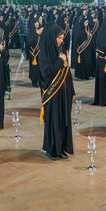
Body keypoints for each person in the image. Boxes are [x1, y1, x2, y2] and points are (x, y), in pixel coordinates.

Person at [38, 25, 74, 160]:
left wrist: (72, 89)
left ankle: (62, 148)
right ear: (52, 38)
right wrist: (60, 61)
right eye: (59, 38)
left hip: (64, 92)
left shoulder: (62, 50)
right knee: (53, 120)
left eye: (62, 38)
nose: (61, 41)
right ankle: (52, 149)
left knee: (63, 120)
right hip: (52, 94)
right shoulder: (44, 53)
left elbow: (67, 72)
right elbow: (46, 73)